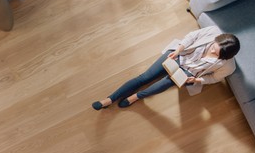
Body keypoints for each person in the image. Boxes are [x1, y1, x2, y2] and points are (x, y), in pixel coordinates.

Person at [92, 26, 240, 110]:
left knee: (164, 83)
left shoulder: (228, 66)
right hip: (179, 55)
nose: (213, 51)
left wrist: (197, 80)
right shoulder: (213, 32)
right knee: (145, 77)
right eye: (214, 47)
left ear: (226, 57)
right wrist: (178, 49)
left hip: (189, 72)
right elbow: (191, 37)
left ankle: (136, 97)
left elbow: (214, 78)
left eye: (217, 53)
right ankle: (110, 99)